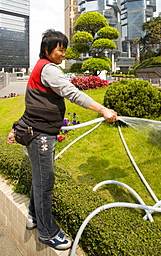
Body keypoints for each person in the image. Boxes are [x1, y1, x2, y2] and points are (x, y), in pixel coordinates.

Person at [18, 29, 118, 251]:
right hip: (40, 133)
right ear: (47, 50)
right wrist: (102, 109)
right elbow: (71, 93)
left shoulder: (40, 66)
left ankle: (34, 217)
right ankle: (47, 232)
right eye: (60, 50)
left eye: (65, 49)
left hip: (36, 131)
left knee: (40, 178)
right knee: (45, 183)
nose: (64, 54)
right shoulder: (49, 69)